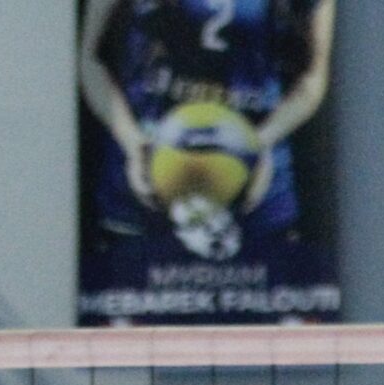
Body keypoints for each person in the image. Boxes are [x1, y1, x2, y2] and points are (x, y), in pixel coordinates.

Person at [77, 0, 335, 285]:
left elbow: (312, 79)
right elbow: (90, 59)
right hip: (142, 195)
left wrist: (256, 144)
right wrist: (132, 143)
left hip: (254, 199)